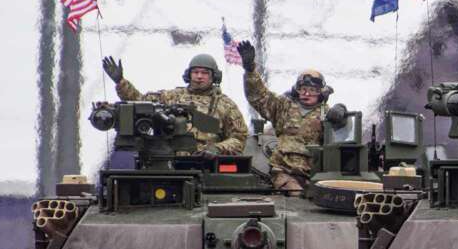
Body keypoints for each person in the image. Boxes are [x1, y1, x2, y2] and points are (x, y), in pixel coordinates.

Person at [100, 53, 248, 155]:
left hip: (206, 163)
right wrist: (121, 82)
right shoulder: (171, 97)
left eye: (204, 73)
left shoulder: (225, 105)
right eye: (195, 72)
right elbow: (140, 101)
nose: (199, 76)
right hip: (168, 160)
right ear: (188, 75)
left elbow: (239, 137)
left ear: (213, 76)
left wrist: (217, 149)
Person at [236, 39, 332, 194]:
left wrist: (341, 115)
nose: (306, 93)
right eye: (303, 89)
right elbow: (259, 96)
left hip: (314, 174)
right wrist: (250, 69)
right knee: (296, 198)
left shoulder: (327, 113)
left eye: (312, 90)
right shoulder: (284, 106)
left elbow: (342, 141)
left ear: (321, 92)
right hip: (284, 171)